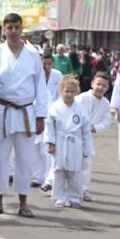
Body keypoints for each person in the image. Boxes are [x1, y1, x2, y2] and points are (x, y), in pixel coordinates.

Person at [0, 13, 48, 218]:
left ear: (22, 29)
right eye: (9, 27)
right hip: (1, 111)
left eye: (16, 27)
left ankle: (23, 202)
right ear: (3, 29)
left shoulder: (32, 54)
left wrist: (40, 116)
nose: (13, 31)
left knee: (24, 159)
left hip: (25, 112)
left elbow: (40, 86)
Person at [45, 76, 92, 209]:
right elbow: (50, 127)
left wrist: (87, 148)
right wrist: (50, 143)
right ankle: (59, 197)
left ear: (76, 92)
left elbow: (85, 131)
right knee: (58, 171)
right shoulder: (54, 107)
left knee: (75, 172)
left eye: (72, 92)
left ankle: (75, 197)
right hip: (60, 142)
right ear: (61, 90)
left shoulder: (80, 109)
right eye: (67, 91)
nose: (69, 94)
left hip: (75, 143)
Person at [75, 71, 112, 201]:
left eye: (104, 86)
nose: (100, 88)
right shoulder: (81, 98)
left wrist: (95, 128)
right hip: (74, 134)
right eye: (98, 84)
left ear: (107, 88)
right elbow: (72, 112)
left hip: (88, 137)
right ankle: (68, 189)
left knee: (86, 163)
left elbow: (107, 121)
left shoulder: (106, 103)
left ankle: (84, 190)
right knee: (71, 163)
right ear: (92, 84)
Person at [37, 52, 63, 191]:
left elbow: (61, 94)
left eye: (48, 64)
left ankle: (49, 178)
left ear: (52, 63)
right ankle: (39, 177)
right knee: (37, 149)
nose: (46, 66)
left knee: (48, 148)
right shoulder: (36, 75)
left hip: (54, 114)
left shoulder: (58, 75)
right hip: (39, 114)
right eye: (44, 64)